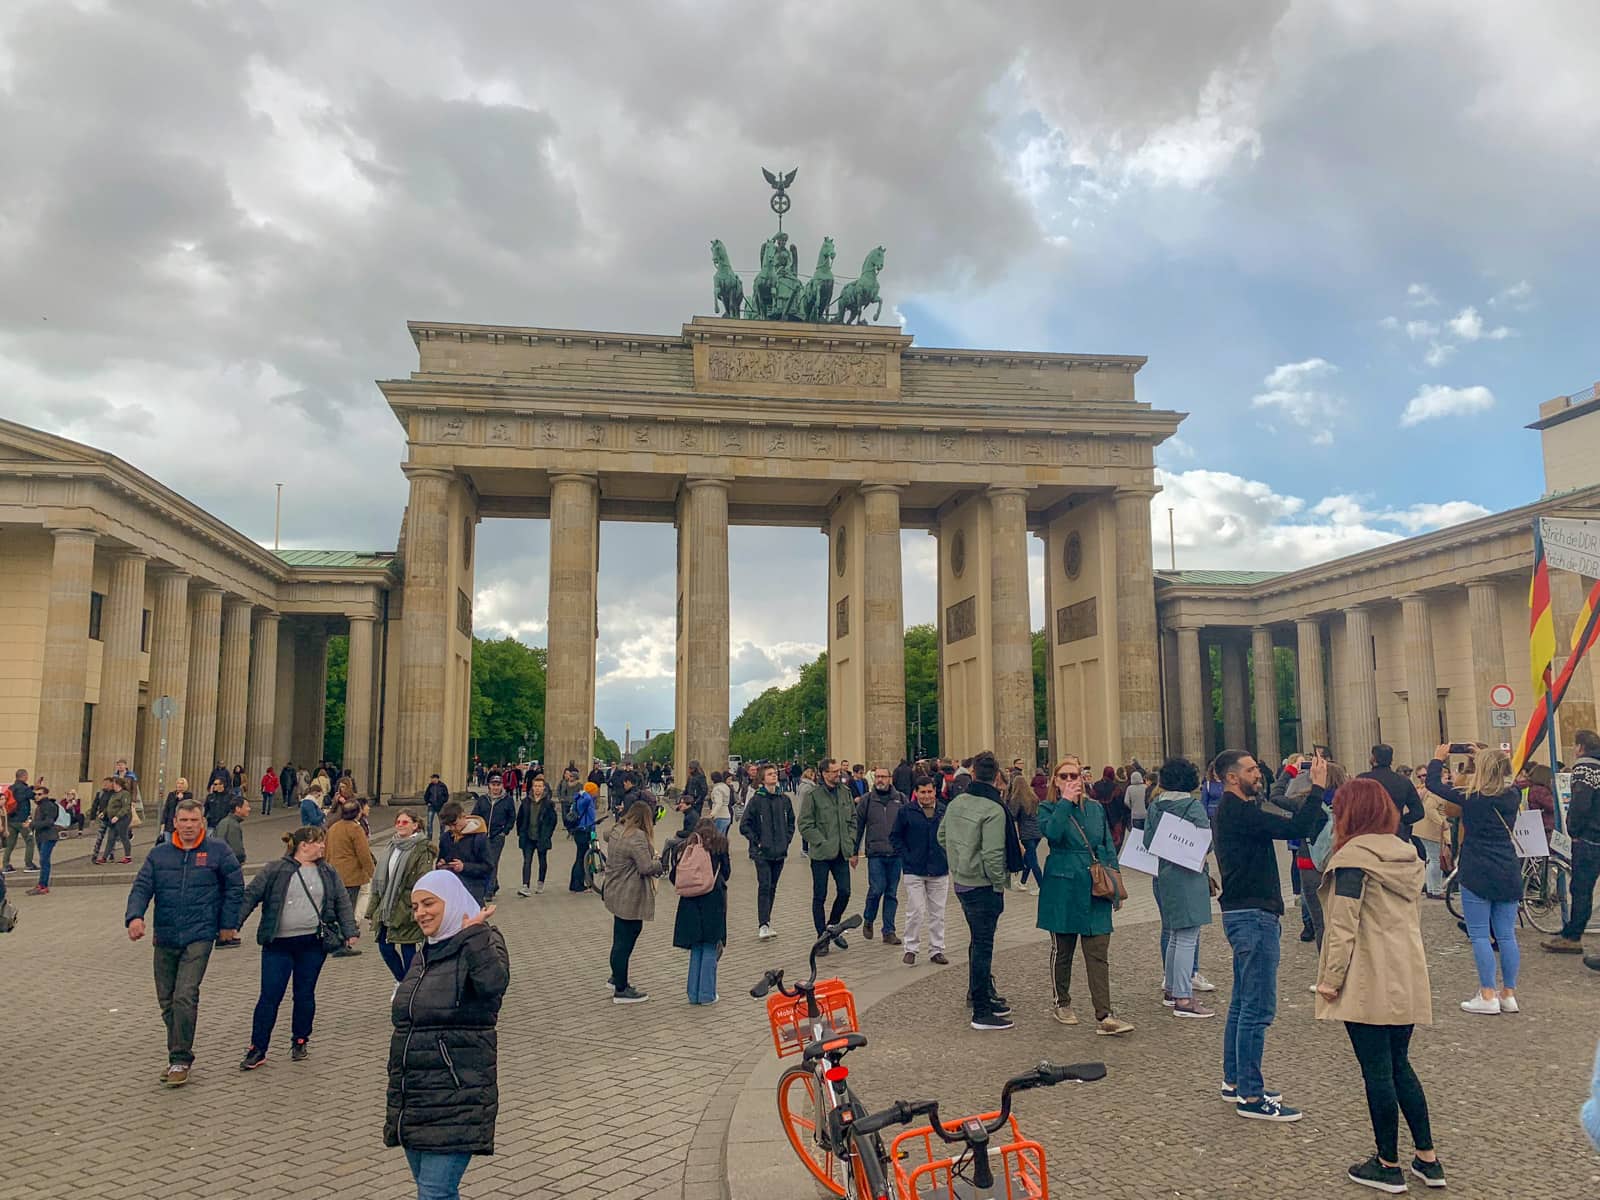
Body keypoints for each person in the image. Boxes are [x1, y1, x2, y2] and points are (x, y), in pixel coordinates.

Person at [1313, 778, 1445, 1191]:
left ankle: (1387, 1163)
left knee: (1377, 1071)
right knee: (1399, 1063)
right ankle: (1428, 1158)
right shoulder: (1406, 855)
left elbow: (1341, 928)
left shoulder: (1353, 860)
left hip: (1368, 975)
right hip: (1404, 971)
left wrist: (1329, 982)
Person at [1213, 747, 1326, 1121]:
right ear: (1232, 777)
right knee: (1257, 1007)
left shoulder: (1239, 809)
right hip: (1254, 914)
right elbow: (1297, 828)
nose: (1257, 773)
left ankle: (1235, 1080)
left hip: (1243, 911)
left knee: (1242, 1002)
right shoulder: (1241, 811)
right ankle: (1251, 1094)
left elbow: (1281, 812)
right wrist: (1318, 789)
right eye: (1250, 770)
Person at [385, 870, 508, 1200]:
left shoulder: (483, 941)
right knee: (435, 1193)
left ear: (452, 902)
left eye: (429, 903)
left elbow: (493, 987)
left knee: (434, 1192)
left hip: (457, 1097)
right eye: (415, 906)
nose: (420, 912)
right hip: (417, 1098)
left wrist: (474, 936)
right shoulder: (426, 952)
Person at [124, 797, 245, 1086]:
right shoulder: (160, 854)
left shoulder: (218, 851)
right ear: (175, 823)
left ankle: (180, 1059)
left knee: (185, 995)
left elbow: (236, 886)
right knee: (167, 1000)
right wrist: (135, 917)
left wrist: (229, 923)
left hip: (200, 934)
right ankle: (177, 1049)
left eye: (194, 821)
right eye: (184, 821)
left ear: (202, 822)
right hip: (165, 934)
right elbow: (141, 887)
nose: (189, 826)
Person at [236, 826, 359, 1070]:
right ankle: (257, 1048)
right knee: (270, 996)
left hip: (312, 944)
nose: (323, 847)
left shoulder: (327, 871)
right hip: (278, 944)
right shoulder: (275, 869)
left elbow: (341, 900)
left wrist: (350, 931)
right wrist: (233, 924)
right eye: (319, 843)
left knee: (304, 994)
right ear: (304, 845)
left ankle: (300, 1039)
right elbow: (250, 896)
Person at [1038, 756, 1135, 1036]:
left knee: (1098, 952)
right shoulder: (1048, 808)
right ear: (1055, 781)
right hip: (1063, 885)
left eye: (1075, 776)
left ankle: (1105, 1015)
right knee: (1063, 950)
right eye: (1065, 776)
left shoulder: (1094, 809)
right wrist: (1065, 802)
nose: (1071, 780)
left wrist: (1114, 885)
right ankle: (1062, 1002)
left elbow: (1106, 845)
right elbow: (1053, 834)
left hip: (1095, 885)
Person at [1426, 744, 1522, 1014]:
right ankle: (1509, 993)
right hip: (1507, 866)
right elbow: (1506, 773)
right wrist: (1483, 754)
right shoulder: (1513, 795)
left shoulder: (1471, 797)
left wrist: (1438, 759)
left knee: (1480, 933)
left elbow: (1434, 784)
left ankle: (1487, 994)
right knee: (1506, 935)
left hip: (1477, 866)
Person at [939, 750, 1012, 1031]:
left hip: (961, 883)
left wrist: (959, 862)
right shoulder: (993, 810)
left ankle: (976, 993)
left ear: (972, 774)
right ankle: (981, 1011)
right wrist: (997, 883)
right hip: (983, 886)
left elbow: (941, 836)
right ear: (996, 776)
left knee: (976, 941)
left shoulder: (957, 802)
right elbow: (994, 855)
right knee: (983, 946)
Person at [1145, 757, 1215, 1018]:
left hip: (1164, 874)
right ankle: (1184, 999)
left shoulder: (1155, 806)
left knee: (1175, 933)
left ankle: (1173, 989)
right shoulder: (1192, 806)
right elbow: (1206, 843)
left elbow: (1149, 840)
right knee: (1187, 936)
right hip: (1188, 874)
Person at [604, 800, 666, 1003]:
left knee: (619, 937)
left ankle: (616, 978)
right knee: (626, 940)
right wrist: (661, 863)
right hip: (629, 894)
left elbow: (606, 835)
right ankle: (621, 989)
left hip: (614, 891)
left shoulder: (617, 829)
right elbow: (646, 867)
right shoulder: (637, 836)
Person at [1545, 729, 1600, 955]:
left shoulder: (1584, 769)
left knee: (1581, 888)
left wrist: (1573, 829)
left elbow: (1581, 804)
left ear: (1579, 747)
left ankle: (1572, 936)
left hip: (1589, 838)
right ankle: (1571, 931)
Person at [797, 758, 857, 951]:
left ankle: (832, 928)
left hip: (841, 851)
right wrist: (820, 841)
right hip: (821, 854)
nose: (838, 774)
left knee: (845, 892)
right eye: (833, 771)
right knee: (820, 896)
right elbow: (805, 823)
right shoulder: (813, 795)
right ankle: (821, 937)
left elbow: (853, 819)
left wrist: (851, 839)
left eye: (839, 771)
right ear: (823, 773)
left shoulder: (845, 792)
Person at [672, 819, 731, 1004]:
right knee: (709, 946)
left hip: (689, 901)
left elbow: (675, 876)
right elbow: (727, 872)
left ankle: (693, 993)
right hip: (713, 899)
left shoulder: (687, 846)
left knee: (696, 947)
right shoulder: (720, 845)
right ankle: (707, 994)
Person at [892, 774, 949, 967]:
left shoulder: (944, 810)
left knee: (938, 912)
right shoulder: (906, 811)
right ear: (916, 793)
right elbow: (895, 836)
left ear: (935, 791)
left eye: (930, 791)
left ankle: (937, 949)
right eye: (922, 792)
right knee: (916, 910)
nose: (926, 795)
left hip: (939, 867)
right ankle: (911, 948)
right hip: (914, 868)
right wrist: (906, 856)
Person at [741, 763, 795, 941]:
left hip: (779, 851)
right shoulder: (757, 800)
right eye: (770, 774)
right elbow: (744, 825)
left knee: (772, 887)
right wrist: (757, 842)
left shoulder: (784, 799)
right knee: (764, 886)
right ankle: (763, 924)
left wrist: (786, 840)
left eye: (775, 774)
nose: (774, 776)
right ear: (763, 779)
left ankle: (767, 922)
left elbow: (791, 822)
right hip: (762, 852)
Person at [855, 766, 905, 945]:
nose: (881, 780)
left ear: (890, 778)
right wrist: (854, 851)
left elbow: (908, 824)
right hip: (875, 853)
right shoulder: (867, 800)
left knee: (891, 893)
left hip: (896, 853)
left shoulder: (900, 799)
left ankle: (888, 931)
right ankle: (869, 919)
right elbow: (858, 826)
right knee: (877, 889)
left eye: (884, 776)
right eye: (878, 777)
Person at [325, 800, 375, 955]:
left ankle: (335, 940)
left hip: (333, 873)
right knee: (347, 909)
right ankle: (343, 943)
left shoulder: (334, 827)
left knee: (335, 908)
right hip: (351, 875)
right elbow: (364, 854)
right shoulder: (355, 828)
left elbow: (326, 850)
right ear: (358, 813)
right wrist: (373, 873)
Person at [437, 800, 494, 904]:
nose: (452, 828)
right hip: (451, 889)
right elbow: (441, 860)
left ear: (463, 816)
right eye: (449, 826)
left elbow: (488, 866)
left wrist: (464, 867)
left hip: (473, 889)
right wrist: (441, 864)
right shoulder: (445, 838)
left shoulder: (479, 838)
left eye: (454, 824)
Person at [516, 774, 557, 897]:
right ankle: (525, 885)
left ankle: (540, 882)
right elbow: (520, 818)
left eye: (540, 786)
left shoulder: (548, 804)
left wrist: (548, 834)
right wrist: (520, 833)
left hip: (541, 836)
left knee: (542, 860)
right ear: (532, 787)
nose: (537, 788)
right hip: (528, 836)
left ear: (544, 788)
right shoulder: (525, 802)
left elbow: (553, 821)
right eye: (535, 786)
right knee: (527, 861)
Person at [479, 775, 516, 902]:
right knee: (485, 861)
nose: (495, 787)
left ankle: (488, 891)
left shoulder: (507, 800)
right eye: (493, 785)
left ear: (502, 786)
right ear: (489, 785)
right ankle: (494, 884)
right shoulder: (483, 800)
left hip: (497, 836)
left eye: (498, 785)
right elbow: (475, 815)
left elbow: (512, 817)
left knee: (492, 862)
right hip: (483, 835)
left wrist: (505, 831)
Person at [1007, 767, 1043, 893]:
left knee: (1033, 861)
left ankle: (1042, 886)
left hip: (1026, 833)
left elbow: (1012, 816)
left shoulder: (1016, 799)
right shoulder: (1033, 797)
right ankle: (1022, 882)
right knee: (1028, 857)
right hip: (1037, 832)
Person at [25, 785, 61, 895]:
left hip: (48, 836)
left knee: (44, 861)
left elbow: (49, 822)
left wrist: (32, 824)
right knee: (43, 860)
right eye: (35, 794)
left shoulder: (48, 805)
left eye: (39, 794)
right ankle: (42, 884)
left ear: (45, 794)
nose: (36, 796)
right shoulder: (41, 805)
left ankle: (43, 885)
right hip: (42, 836)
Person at [566, 781, 599, 892]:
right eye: (595, 791)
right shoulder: (587, 799)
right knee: (582, 858)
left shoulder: (580, 798)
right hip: (584, 830)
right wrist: (586, 793)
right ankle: (577, 884)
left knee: (580, 857)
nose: (597, 793)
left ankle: (575, 883)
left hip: (579, 831)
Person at [3, 767, 35, 873]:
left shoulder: (11, 788)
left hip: (11, 819)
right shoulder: (25, 789)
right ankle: (29, 864)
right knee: (30, 841)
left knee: (10, 843)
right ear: (24, 776)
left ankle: (5, 865)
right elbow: (33, 796)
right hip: (22, 820)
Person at [423, 773, 449, 840]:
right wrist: (427, 802)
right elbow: (426, 795)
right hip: (431, 806)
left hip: (440, 806)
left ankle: (442, 835)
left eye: (433, 778)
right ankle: (429, 836)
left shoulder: (442, 786)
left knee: (442, 822)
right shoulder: (430, 786)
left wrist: (443, 801)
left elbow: (446, 796)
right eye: (431, 778)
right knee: (429, 822)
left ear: (436, 778)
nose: (431, 779)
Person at [707, 769, 732, 836]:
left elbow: (719, 803)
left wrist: (712, 814)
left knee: (716, 838)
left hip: (720, 816)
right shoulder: (725, 787)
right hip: (727, 815)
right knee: (722, 838)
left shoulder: (717, 789)